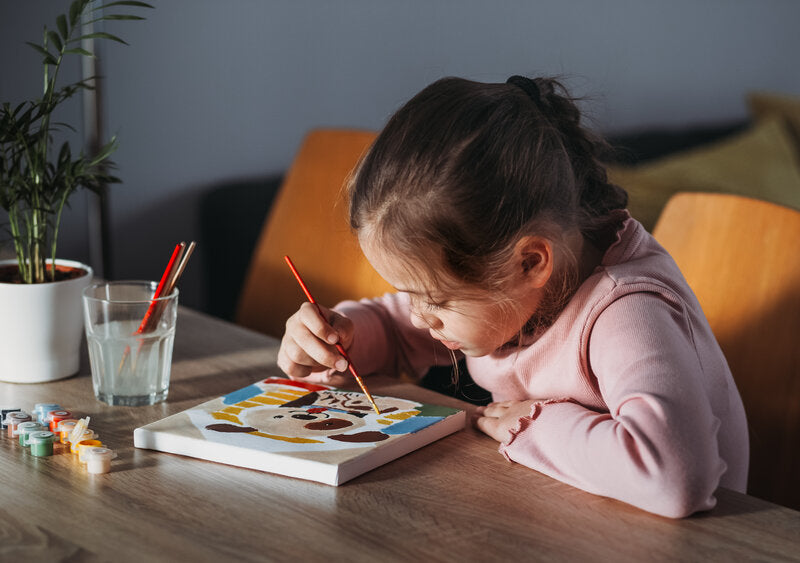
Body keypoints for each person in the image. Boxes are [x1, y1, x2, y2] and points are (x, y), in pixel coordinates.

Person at [277, 75, 749, 518]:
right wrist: (343, 338)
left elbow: (675, 475)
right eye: (411, 294)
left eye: (436, 300)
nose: (422, 319)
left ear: (530, 262)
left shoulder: (625, 310)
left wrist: (536, 425)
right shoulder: (509, 291)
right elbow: (399, 330)